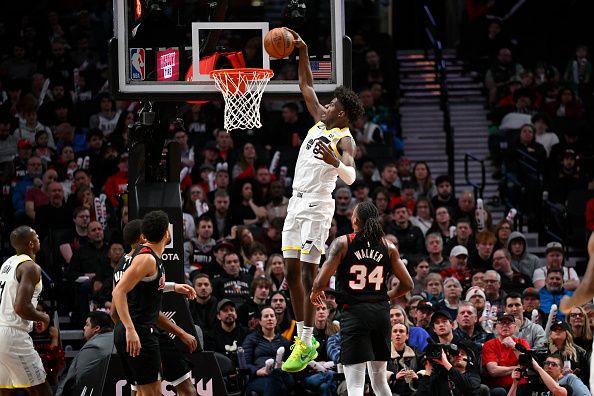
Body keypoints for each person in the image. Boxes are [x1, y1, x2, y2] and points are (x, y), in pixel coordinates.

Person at [281, 29, 364, 372]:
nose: (326, 105)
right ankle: (305, 339)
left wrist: (335, 162)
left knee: (305, 274)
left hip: (318, 206)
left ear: (342, 114)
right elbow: (306, 86)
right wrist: (303, 50)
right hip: (295, 203)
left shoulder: (345, 138)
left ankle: (306, 339)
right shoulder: (320, 122)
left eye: (333, 105)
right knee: (289, 272)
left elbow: (352, 175)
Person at [310, 201, 413, 395]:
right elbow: (408, 284)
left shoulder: (343, 242)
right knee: (380, 382)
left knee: (355, 385)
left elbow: (320, 282)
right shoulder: (388, 246)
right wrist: (384, 297)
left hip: (355, 313)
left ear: (355, 220)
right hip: (381, 314)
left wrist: (316, 291)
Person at [112, 218, 199, 396]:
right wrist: (128, 329)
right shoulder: (144, 259)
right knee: (149, 392)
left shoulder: (130, 262)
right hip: (139, 329)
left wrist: (173, 286)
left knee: (146, 391)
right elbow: (121, 295)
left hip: (145, 328)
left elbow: (142, 294)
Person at [0, 226, 52, 395]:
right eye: (36, 237)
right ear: (31, 243)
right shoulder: (30, 267)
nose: (39, 240)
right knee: (42, 390)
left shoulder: (7, 264)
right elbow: (20, 307)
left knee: (5, 391)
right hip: (13, 335)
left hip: (2, 329)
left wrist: (33, 316)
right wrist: (43, 317)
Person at [55, 311, 115, 396]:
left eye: (87, 325)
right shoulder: (118, 340)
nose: (84, 327)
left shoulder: (92, 346)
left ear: (96, 328)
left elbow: (81, 379)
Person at [242, 306, 294, 396]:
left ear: (276, 320)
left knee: (278, 371)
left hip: (283, 375)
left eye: (272, 316)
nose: (269, 318)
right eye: (266, 316)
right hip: (260, 377)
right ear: (260, 321)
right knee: (280, 388)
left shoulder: (284, 341)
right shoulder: (251, 339)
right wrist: (257, 371)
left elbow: (291, 363)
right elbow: (244, 363)